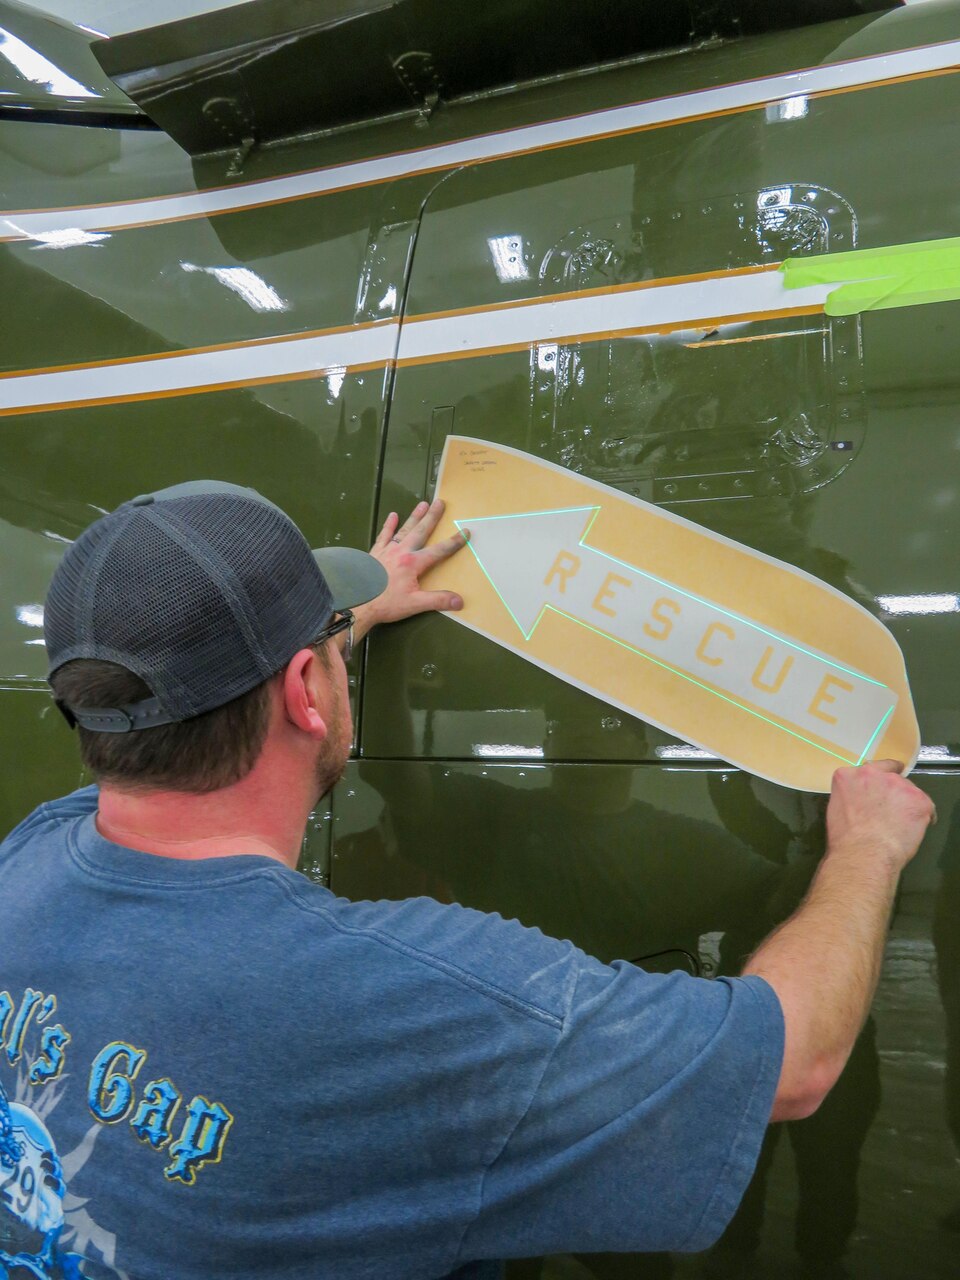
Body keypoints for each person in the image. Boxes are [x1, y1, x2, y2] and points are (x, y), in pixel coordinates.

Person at [0, 480, 934, 1280]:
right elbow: (795, 1060)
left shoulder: (34, 858)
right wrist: (867, 848)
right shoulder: (412, 1000)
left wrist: (342, 625)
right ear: (305, 693)